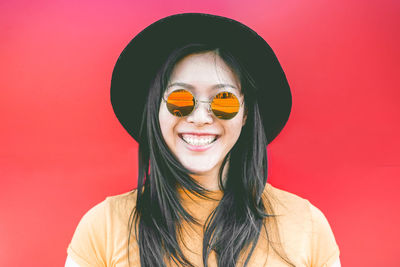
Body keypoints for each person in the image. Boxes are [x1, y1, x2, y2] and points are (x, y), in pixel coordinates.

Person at [65, 13, 341, 267]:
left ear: (245, 114)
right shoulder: (103, 228)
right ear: (155, 110)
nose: (200, 117)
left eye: (223, 100)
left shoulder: (307, 226)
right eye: (180, 99)